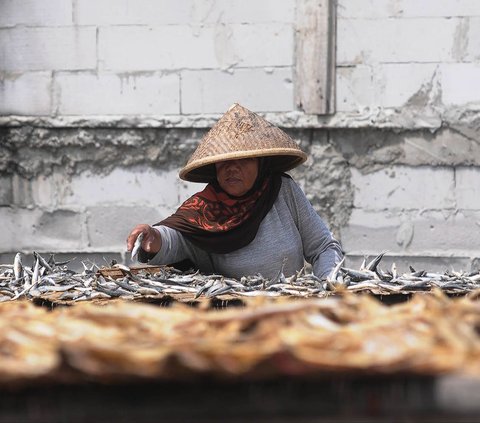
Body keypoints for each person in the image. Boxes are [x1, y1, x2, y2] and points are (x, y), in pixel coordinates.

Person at [126, 103, 343, 279]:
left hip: (289, 312)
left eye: (243, 160)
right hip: (232, 317)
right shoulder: (205, 209)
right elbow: (175, 240)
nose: (232, 169)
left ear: (260, 163)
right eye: (224, 162)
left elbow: (324, 247)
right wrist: (153, 236)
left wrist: (329, 283)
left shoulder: (282, 190)